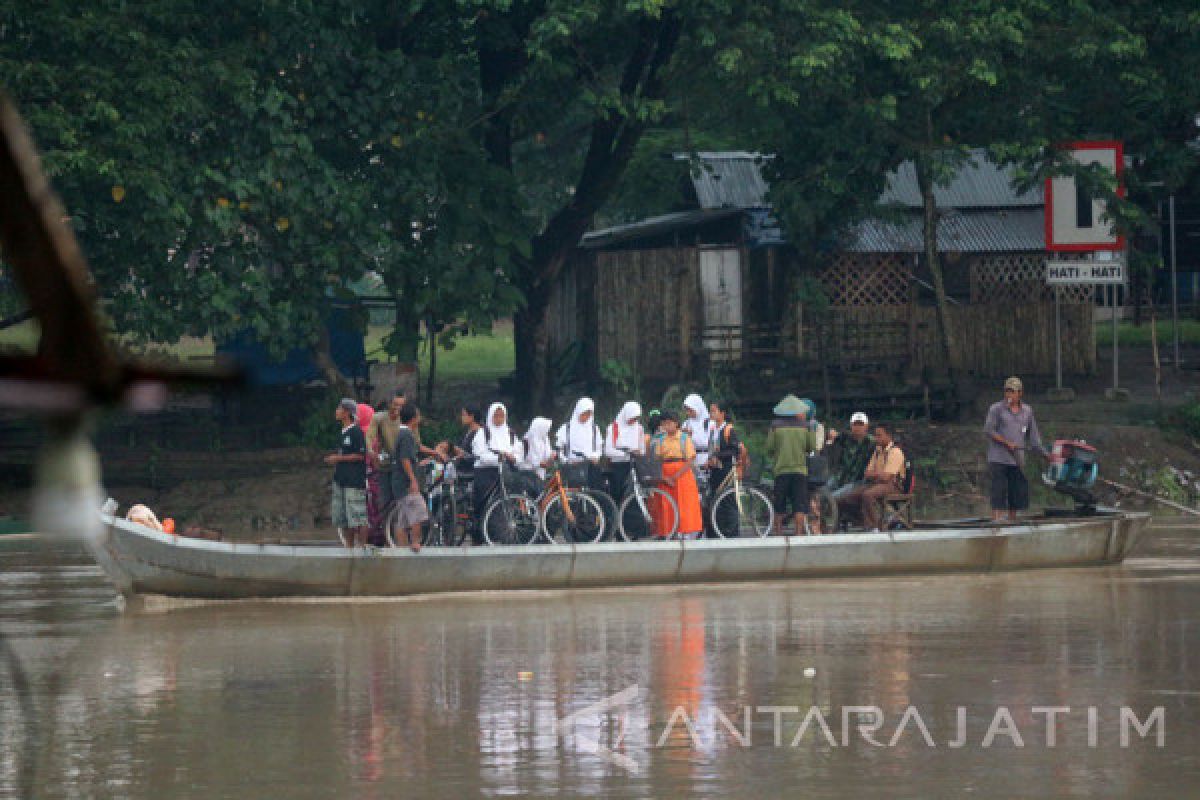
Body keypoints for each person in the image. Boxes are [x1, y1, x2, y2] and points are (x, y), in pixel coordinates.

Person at [984, 376, 1048, 521]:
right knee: (998, 489)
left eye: (1013, 392)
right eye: (1007, 391)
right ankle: (996, 521)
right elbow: (989, 430)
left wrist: (1045, 454)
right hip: (998, 458)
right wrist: (1006, 442)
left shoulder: (1027, 411)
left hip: (1016, 459)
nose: (1009, 395)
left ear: (1020, 393)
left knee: (1016, 490)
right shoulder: (996, 409)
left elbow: (1034, 438)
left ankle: (1012, 521)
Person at [837, 422, 906, 532]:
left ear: (889, 436)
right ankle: (851, 522)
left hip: (893, 485)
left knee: (868, 495)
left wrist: (875, 474)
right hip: (876, 483)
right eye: (875, 435)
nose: (876, 438)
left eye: (879, 435)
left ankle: (873, 527)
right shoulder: (877, 451)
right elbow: (867, 472)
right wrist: (878, 474)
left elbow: (887, 477)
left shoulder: (895, 452)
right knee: (847, 497)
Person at [766, 394, 817, 536]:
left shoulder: (775, 426)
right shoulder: (805, 426)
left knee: (779, 504)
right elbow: (811, 447)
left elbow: (769, 448)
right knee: (799, 505)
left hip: (781, 471)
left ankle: (779, 532)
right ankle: (798, 533)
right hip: (800, 470)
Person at [648, 411, 704, 539]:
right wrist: (664, 477)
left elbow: (690, 460)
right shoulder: (661, 440)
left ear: (676, 423)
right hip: (666, 474)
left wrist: (675, 476)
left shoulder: (685, 438)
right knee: (666, 504)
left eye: (669, 423)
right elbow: (657, 459)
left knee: (684, 504)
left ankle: (686, 532)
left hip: (682, 474)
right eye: (664, 424)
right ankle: (668, 531)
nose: (667, 427)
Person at [470, 402, 523, 526]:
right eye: (496, 415)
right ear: (490, 416)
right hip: (486, 472)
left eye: (501, 416)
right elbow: (480, 454)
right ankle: (480, 530)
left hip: (506, 471)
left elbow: (519, 452)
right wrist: (498, 458)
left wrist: (513, 458)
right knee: (484, 502)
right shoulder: (483, 433)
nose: (499, 418)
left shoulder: (510, 433)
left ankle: (503, 532)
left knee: (507, 501)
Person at [326, 397, 369, 547]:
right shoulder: (342, 432)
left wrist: (338, 458)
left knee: (358, 515)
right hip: (341, 480)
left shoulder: (356, 432)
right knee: (343, 517)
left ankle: (362, 546)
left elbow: (360, 455)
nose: (336, 412)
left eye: (339, 409)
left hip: (354, 481)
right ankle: (349, 547)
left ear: (346, 412)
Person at [366, 391, 405, 541]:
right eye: (395, 405)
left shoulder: (406, 418)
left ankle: (397, 536)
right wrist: (370, 451)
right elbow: (370, 436)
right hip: (385, 465)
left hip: (402, 466)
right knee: (384, 501)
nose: (398, 408)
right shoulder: (379, 418)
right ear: (389, 404)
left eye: (402, 405)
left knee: (402, 502)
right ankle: (383, 535)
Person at [390, 404, 428, 552]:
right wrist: (412, 479)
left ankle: (401, 548)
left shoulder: (402, 433)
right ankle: (415, 543)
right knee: (417, 512)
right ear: (413, 418)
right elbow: (405, 459)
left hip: (399, 481)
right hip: (405, 483)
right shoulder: (407, 435)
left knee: (403, 519)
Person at [825, 411, 874, 501]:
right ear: (851, 425)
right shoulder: (846, 437)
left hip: (857, 481)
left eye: (861, 424)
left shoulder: (871, 442)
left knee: (832, 498)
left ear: (866, 426)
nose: (858, 427)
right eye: (855, 424)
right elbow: (831, 434)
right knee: (823, 491)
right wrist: (830, 433)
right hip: (840, 477)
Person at [556, 397, 603, 489]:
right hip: (572, 469)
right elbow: (558, 448)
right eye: (584, 414)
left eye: (588, 414)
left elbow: (599, 448)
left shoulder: (594, 428)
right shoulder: (567, 428)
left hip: (590, 468)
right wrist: (566, 461)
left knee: (592, 495)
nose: (586, 417)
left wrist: (596, 456)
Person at [604, 401, 644, 500]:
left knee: (634, 493)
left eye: (636, 418)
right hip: (618, 466)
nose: (634, 421)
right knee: (617, 493)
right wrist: (626, 453)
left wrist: (638, 452)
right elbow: (607, 450)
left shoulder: (639, 428)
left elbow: (642, 450)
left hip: (634, 464)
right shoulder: (613, 428)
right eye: (632, 418)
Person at [682, 394, 714, 469]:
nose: (688, 413)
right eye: (687, 410)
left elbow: (713, 442)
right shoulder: (686, 424)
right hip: (692, 461)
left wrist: (710, 459)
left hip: (707, 460)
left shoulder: (710, 423)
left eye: (690, 410)